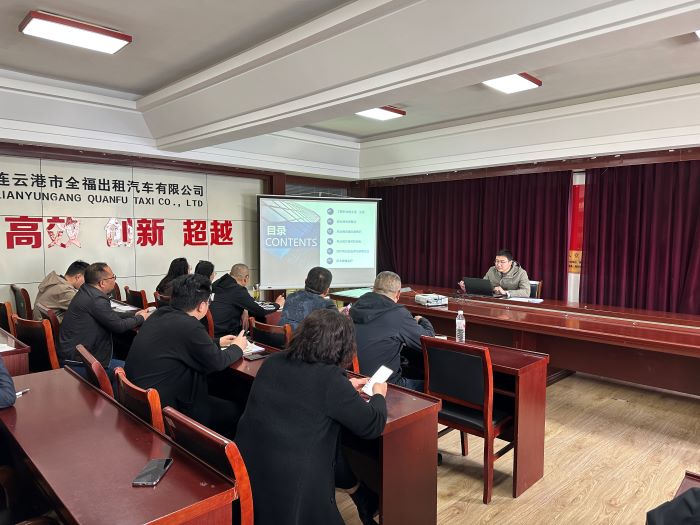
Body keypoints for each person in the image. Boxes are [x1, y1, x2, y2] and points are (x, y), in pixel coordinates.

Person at [236, 309, 388, 525]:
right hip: (292, 481)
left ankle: (360, 496)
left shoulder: (273, 361)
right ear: (342, 347)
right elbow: (372, 425)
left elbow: (303, 391)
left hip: (250, 466)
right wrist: (379, 395)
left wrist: (344, 386)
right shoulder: (330, 380)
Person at [125, 274, 247, 438]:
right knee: (237, 412)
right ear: (202, 306)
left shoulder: (160, 314)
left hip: (140, 401)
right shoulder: (190, 325)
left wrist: (217, 341)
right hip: (168, 410)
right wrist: (238, 347)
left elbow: (180, 342)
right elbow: (218, 362)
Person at [350, 271, 435, 391]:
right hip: (384, 385)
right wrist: (422, 320)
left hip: (355, 379)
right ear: (398, 294)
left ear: (374, 289)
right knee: (434, 386)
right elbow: (428, 341)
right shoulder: (397, 314)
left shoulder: (356, 307)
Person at [59, 263, 150, 371]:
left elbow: (107, 314)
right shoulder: (96, 299)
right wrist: (141, 318)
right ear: (102, 283)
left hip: (76, 353)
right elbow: (119, 326)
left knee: (123, 348)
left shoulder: (87, 290)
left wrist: (134, 314)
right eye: (113, 277)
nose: (114, 280)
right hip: (80, 362)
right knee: (135, 370)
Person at [209, 263, 284, 337]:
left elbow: (229, 300)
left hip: (210, 332)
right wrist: (277, 304)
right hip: (225, 335)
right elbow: (261, 310)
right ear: (245, 278)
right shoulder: (237, 290)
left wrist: (244, 308)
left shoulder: (218, 283)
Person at [278, 266, 338, 330]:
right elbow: (338, 325)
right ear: (327, 290)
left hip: (281, 335)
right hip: (303, 336)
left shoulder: (291, 296)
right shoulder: (327, 304)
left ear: (305, 281)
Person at [459, 249, 530, 297]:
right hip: (493, 302)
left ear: (510, 262)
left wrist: (506, 292)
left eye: (502, 262)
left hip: (511, 304)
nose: (498, 264)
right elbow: (483, 287)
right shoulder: (492, 270)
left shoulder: (521, 273)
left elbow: (526, 292)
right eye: (497, 261)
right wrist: (467, 288)